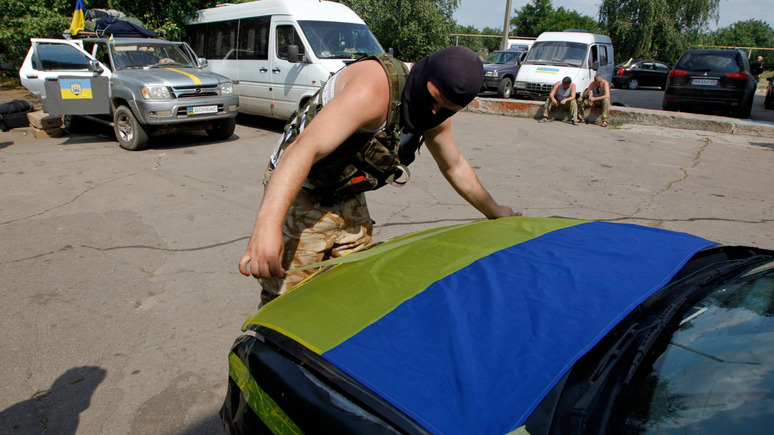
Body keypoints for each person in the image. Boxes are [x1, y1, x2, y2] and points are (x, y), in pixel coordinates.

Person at [238, 46, 521, 306]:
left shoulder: (438, 109)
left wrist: (495, 210)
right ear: (423, 74)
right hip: (300, 187)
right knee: (288, 302)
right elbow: (303, 150)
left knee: (354, 291)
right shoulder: (374, 88)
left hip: (346, 192)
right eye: (434, 100)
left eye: (447, 109)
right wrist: (267, 226)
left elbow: (454, 165)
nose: (435, 112)